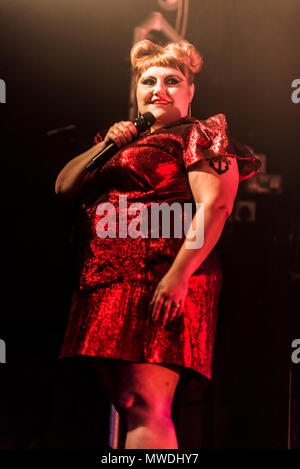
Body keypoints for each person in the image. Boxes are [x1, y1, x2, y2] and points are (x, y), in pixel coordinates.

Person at [55, 39, 261, 449]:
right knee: (129, 401)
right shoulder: (121, 140)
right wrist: (110, 142)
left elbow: (216, 207)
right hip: (109, 280)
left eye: (172, 80)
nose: (158, 89)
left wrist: (178, 276)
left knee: (148, 405)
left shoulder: (202, 134)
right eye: (148, 80)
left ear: (190, 92)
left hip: (161, 274)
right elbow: (64, 187)